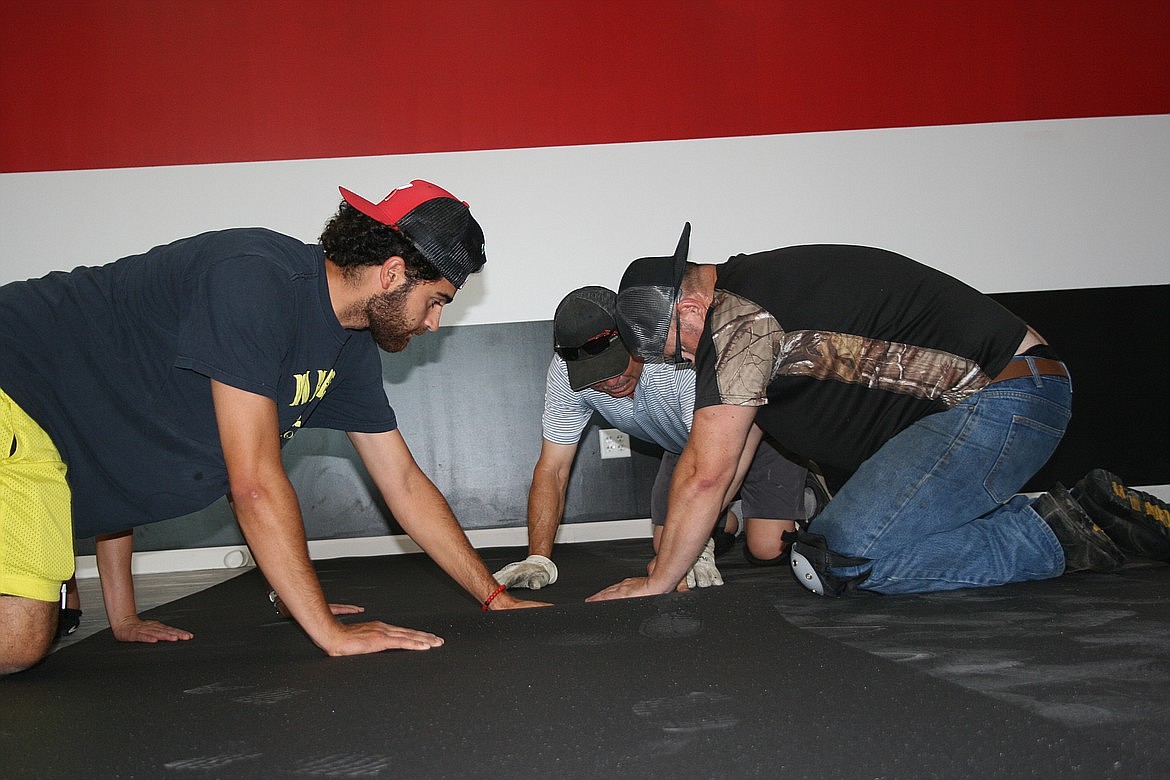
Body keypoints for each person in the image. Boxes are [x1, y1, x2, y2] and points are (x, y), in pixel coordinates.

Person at [1, 179, 545, 675]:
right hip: (13, 389)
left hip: (45, 442)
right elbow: (254, 484)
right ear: (394, 272)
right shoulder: (254, 278)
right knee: (17, 641)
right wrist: (328, 631)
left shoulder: (349, 344)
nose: (433, 323)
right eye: (436, 302)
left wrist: (493, 596)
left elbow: (401, 480)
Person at [588, 223, 1157, 603]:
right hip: (996, 403)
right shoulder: (756, 291)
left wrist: (658, 580)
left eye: (680, 349)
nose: (689, 363)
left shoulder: (739, 323)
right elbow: (732, 459)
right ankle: (1064, 517)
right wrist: (685, 553)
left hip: (1004, 402)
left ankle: (1064, 533)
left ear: (691, 307)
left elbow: (705, 470)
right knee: (833, 548)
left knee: (838, 560)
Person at [493, 286, 824, 593]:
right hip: (688, 449)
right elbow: (552, 470)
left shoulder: (673, 363)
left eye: (616, 365)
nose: (610, 383)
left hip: (758, 435)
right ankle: (729, 518)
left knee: (766, 548)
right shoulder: (564, 375)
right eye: (596, 376)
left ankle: (806, 497)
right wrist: (538, 557)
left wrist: (696, 545)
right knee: (666, 543)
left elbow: (713, 468)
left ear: (635, 342)